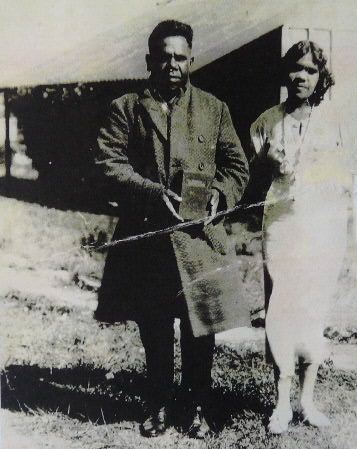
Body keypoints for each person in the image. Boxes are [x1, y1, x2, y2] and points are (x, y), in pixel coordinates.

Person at [94, 20, 249, 438]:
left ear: (192, 60)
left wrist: (219, 195)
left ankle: (196, 402)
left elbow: (237, 167)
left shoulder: (214, 109)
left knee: (200, 327)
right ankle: (158, 401)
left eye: (180, 57)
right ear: (150, 60)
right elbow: (108, 163)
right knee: (155, 323)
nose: (172, 65)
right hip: (150, 241)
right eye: (164, 57)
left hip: (199, 240)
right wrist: (148, 191)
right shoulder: (126, 108)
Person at [250, 40, 353, 434]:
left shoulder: (336, 121)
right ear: (286, 73)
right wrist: (271, 162)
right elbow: (260, 172)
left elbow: (345, 177)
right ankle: (282, 403)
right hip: (282, 225)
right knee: (282, 306)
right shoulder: (266, 122)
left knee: (314, 307)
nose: (301, 76)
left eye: (310, 70)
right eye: (295, 68)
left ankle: (307, 400)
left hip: (323, 226)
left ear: (320, 76)